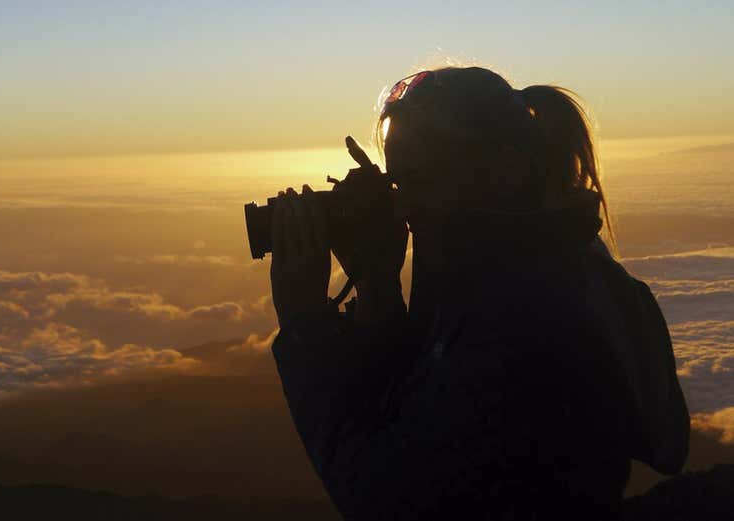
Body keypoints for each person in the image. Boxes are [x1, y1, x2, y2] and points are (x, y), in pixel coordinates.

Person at [268, 66, 689, 520]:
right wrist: (378, 287)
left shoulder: (525, 320)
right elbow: (409, 411)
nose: (401, 206)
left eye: (416, 181)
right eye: (396, 183)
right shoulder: (528, 268)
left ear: (505, 173)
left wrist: (303, 323)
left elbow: (383, 498)